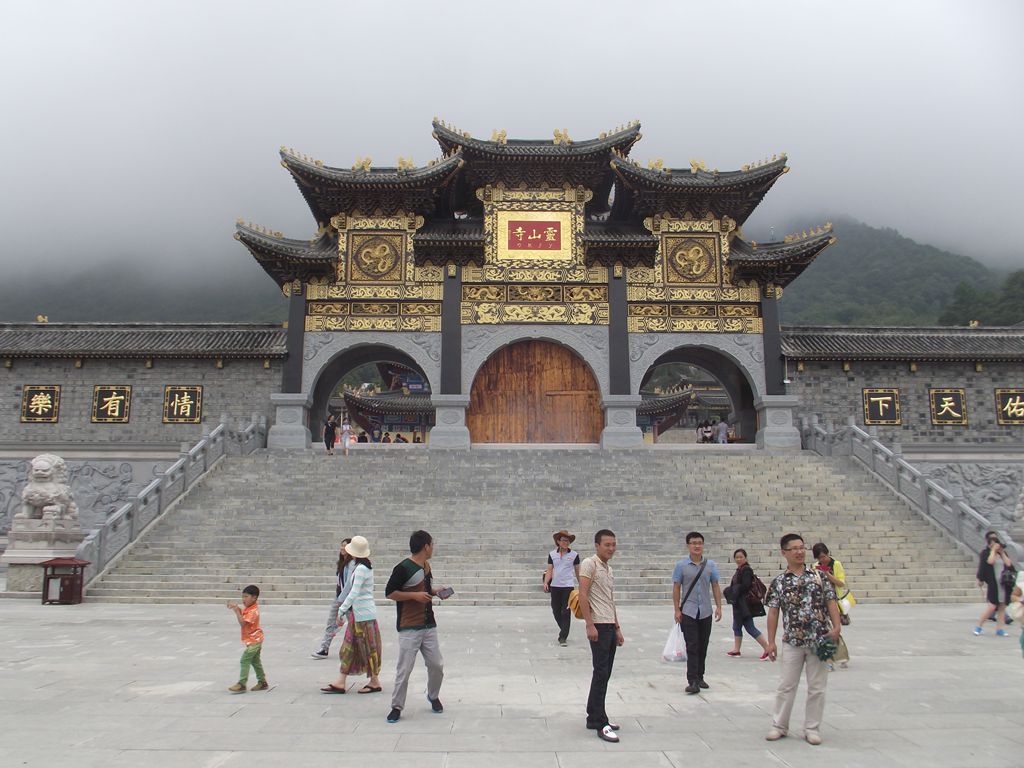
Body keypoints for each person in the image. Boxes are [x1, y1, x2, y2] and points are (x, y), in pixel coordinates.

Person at [765, 533, 842, 746]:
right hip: (792, 641)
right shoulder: (779, 582)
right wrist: (770, 642)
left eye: (802, 547)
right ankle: (779, 725)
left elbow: (831, 602)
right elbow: (773, 613)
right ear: (784, 553)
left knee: (817, 687)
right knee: (786, 685)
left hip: (819, 639)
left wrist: (836, 627)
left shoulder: (819, 576)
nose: (799, 552)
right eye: (794, 549)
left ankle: (812, 728)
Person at [384, 530, 447, 723]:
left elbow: (424, 590)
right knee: (404, 669)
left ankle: (433, 695)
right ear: (425, 546)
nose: (433, 548)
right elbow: (389, 593)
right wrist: (413, 596)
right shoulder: (403, 568)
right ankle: (396, 706)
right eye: (432, 544)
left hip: (428, 625)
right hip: (409, 625)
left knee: (437, 664)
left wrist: (435, 592)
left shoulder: (427, 567)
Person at [321, 536, 383, 695]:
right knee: (350, 648)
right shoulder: (362, 567)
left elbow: (354, 592)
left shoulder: (361, 569)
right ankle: (341, 681)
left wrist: (341, 610)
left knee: (367, 648)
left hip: (363, 615)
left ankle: (374, 681)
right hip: (360, 614)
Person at [579, 529, 623, 743]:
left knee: (604, 673)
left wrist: (617, 628)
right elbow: (583, 594)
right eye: (607, 544)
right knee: (601, 672)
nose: (611, 548)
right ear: (597, 545)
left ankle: (592, 715)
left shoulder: (608, 568)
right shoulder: (590, 564)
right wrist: (589, 624)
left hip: (609, 625)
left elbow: (610, 599)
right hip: (598, 625)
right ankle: (600, 722)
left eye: (613, 544)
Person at [672, 531, 722, 694]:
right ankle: (692, 680)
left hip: (705, 610)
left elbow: (715, 585)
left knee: (703, 645)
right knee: (692, 645)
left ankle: (700, 676)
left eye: (699, 542)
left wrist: (719, 606)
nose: (697, 546)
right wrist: (677, 609)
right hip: (689, 611)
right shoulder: (681, 566)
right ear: (688, 545)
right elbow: (677, 587)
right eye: (693, 543)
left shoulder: (710, 565)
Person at [312, 539, 355, 659]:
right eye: (341, 546)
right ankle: (324, 648)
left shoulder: (351, 564)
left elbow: (348, 585)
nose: (342, 548)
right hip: (339, 598)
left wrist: (342, 600)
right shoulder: (342, 563)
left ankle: (359, 650)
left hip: (347, 600)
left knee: (354, 626)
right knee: (331, 623)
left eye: (345, 547)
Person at [812, 542, 853, 667]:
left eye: (824, 556)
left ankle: (839, 656)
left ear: (828, 553)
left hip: (835, 601)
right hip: (821, 602)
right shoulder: (815, 566)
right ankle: (829, 659)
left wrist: (827, 575)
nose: (822, 560)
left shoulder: (836, 564)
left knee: (834, 630)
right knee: (825, 630)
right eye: (819, 558)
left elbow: (841, 583)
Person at [726, 548, 770, 659]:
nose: (739, 559)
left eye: (741, 557)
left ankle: (768, 648)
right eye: (737, 557)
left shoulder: (746, 570)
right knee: (736, 626)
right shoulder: (740, 569)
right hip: (739, 603)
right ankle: (736, 650)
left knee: (750, 627)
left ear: (745, 558)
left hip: (744, 604)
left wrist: (732, 590)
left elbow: (745, 585)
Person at [226, 584, 268, 693]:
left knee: (244, 659)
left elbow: (243, 623)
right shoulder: (249, 608)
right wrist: (237, 608)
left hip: (255, 640)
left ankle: (242, 683)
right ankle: (262, 682)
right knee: (255, 662)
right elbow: (244, 616)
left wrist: (236, 612)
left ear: (254, 598)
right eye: (243, 596)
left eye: (246, 596)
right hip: (253, 640)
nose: (243, 599)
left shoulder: (253, 611)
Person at [543, 529, 581, 646]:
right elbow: (549, 570)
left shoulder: (574, 555)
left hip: (568, 586)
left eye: (568, 541)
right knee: (555, 610)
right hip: (555, 586)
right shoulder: (552, 554)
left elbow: (578, 571)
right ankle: (563, 629)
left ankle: (563, 636)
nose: (566, 543)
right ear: (558, 541)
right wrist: (546, 582)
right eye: (564, 540)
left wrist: (582, 585)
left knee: (566, 611)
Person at [975, 531, 1012, 636]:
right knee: (991, 607)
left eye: (996, 539)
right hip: (993, 583)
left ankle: (1000, 629)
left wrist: (1002, 552)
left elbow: (1008, 564)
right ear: (988, 541)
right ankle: (979, 627)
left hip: (1004, 583)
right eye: (992, 539)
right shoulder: (985, 553)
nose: (995, 541)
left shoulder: (1001, 552)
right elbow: (989, 562)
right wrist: (993, 551)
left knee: (1002, 607)